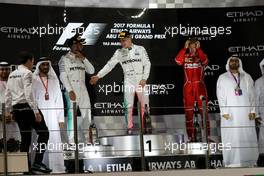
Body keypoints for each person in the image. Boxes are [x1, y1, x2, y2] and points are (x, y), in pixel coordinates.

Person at [90, 31, 151, 134]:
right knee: (128, 106)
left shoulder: (140, 49)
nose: (122, 43)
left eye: (124, 40)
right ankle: (129, 128)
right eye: (121, 41)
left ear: (130, 38)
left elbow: (147, 64)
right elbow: (109, 65)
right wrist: (98, 75)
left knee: (144, 106)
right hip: (129, 81)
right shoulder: (119, 52)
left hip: (140, 80)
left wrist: (144, 78)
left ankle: (145, 128)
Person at [5, 52, 51, 173]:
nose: (33, 64)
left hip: (17, 109)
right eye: (33, 62)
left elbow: (7, 94)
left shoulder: (12, 74)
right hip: (27, 107)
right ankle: (37, 163)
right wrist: (36, 112)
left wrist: (9, 111)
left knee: (25, 138)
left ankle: (25, 168)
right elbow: (28, 94)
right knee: (44, 133)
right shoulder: (27, 73)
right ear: (29, 61)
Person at [216, 56, 258, 167]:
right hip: (230, 115)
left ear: (239, 63)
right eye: (231, 61)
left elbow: (252, 96)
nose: (234, 62)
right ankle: (231, 162)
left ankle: (249, 161)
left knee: (247, 136)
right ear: (228, 63)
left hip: (245, 114)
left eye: (236, 61)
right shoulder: (222, 78)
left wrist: (253, 110)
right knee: (231, 136)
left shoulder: (247, 77)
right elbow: (220, 96)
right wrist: (224, 111)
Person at [58, 33, 95, 143]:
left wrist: (84, 58)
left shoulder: (82, 58)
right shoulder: (64, 58)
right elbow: (63, 76)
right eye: (78, 45)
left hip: (83, 88)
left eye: (81, 45)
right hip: (72, 88)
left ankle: (88, 139)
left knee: (87, 113)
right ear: (72, 45)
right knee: (71, 115)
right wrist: (69, 90)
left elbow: (91, 71)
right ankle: (71, 140)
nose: (80, 47)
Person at [32, 57, 65, 173]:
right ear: (38, 66)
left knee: (54, 139)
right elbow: (31, 99)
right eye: (43, 65)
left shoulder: (54, 81)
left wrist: (61, 118)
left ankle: (57, 168)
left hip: (53, 116)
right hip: (38, 115)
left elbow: (59, 100)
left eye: (47, 65)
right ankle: (38, 166)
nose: (45, 67)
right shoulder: (33, 80)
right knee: (39, 140)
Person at [175, 38, 210, 141]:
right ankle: (190, 137)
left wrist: (199, 50)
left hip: (200, 86)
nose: (193, 48)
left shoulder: (201, 55)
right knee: (188, 113)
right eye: (191, 45)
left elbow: (205, 61)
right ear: (188, 46)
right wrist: (184, 48)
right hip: (188, 86)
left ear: (197, 46)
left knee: (204, 112)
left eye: (195, 45)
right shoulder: (185, 56)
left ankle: (207, 136)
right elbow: (177, 61)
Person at [0, 62, 20, 142]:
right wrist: (1, 116)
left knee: (15, 145)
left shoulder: (16, 83)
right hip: (0, 120)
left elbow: (20, 100)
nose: (4, 71)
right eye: (2, 69)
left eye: (7, 69)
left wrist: (13, 115)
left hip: (14, 119)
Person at [255, 58, 264, 154]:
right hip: (263, 115)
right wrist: (256, 115)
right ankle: (262, 158)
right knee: (263, 137)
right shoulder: (258, 82)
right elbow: (255, 100)